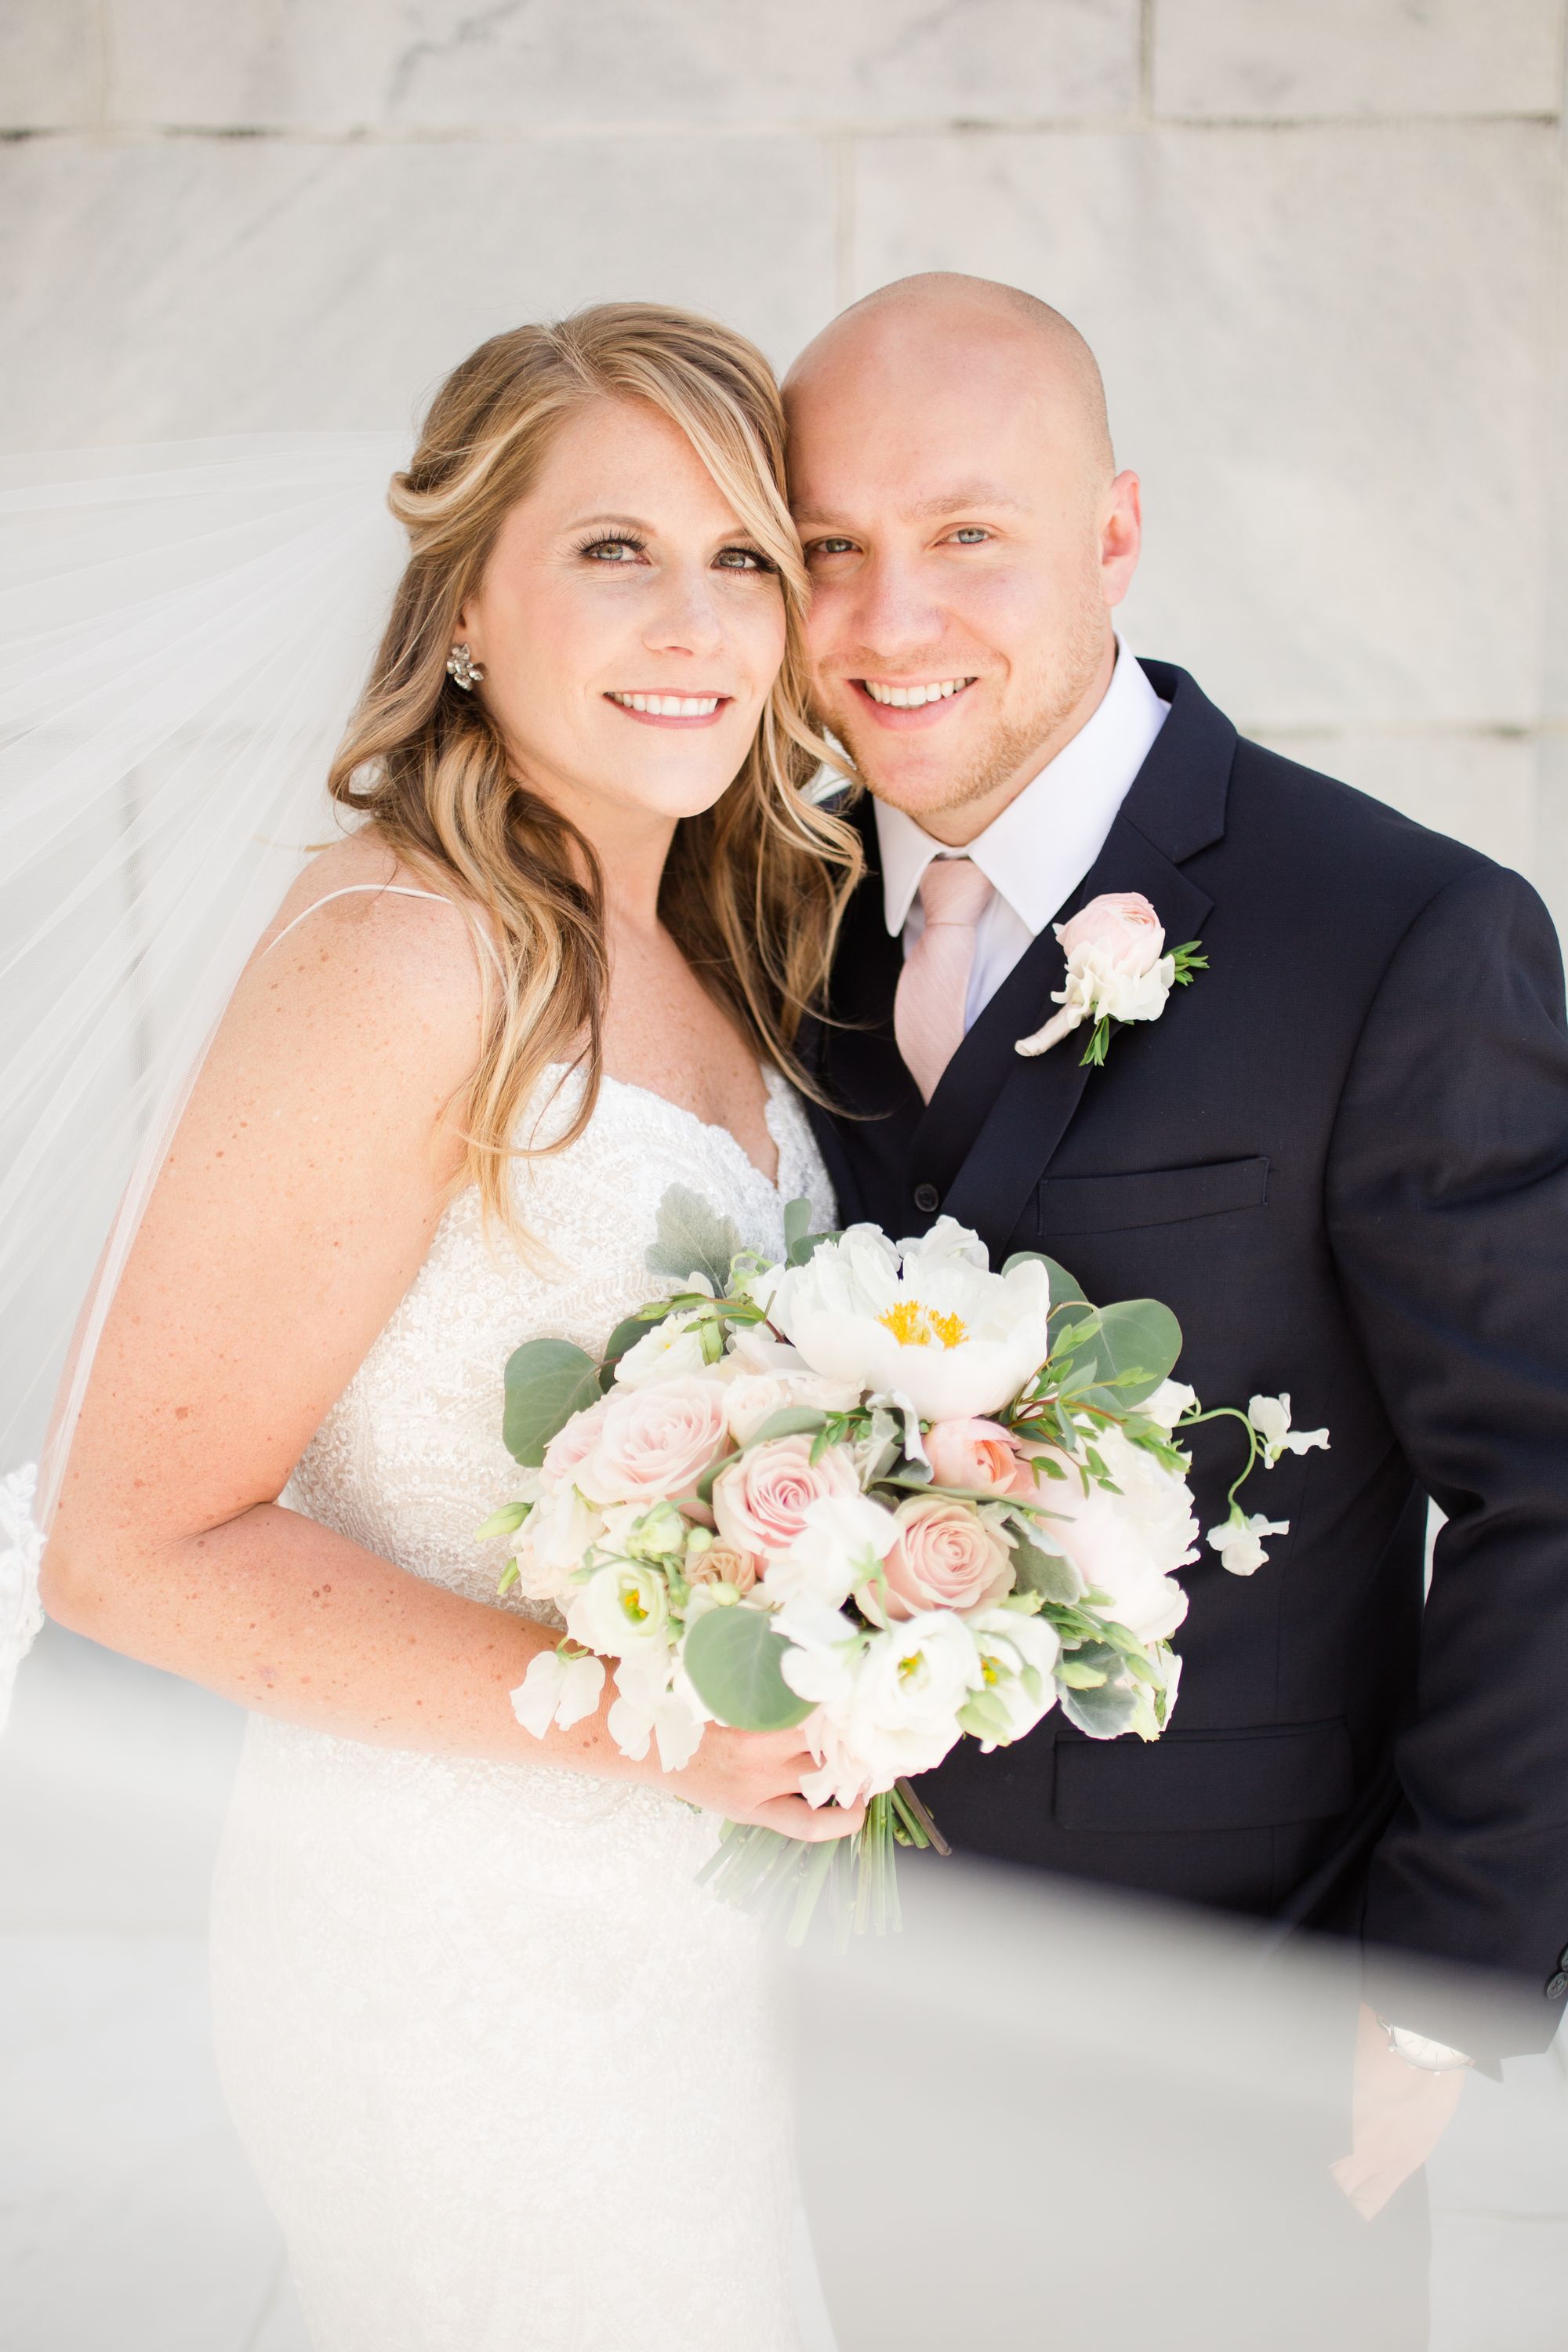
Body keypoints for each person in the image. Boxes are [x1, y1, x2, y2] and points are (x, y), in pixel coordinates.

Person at [37, 304, 862, 2352]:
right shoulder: (406, 956)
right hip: (458, 1951)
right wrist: (651, 1729)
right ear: (468, 604)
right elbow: (129, 1545)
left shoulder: (698, 947)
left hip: (699, 1937)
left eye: (743, 557)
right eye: (614, 549)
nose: (693, 621)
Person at [783, 270, 1568, 2265]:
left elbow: (1546, 1481)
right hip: (789, 2025)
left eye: (967, 533)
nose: (889, 621)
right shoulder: (750, 914)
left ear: (1114, 530)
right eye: (827, 549)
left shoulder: (1398, 933)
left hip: (1234, 2041)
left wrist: (1434, 1984)